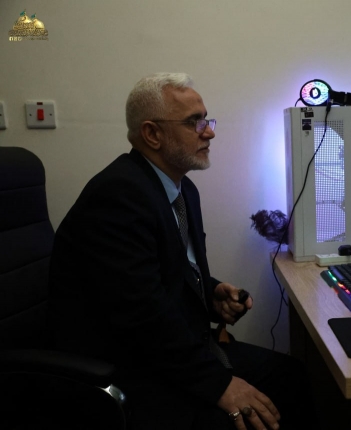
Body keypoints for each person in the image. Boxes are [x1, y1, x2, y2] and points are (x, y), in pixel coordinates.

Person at [48, 72, 316, 430]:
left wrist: (211, 293)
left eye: (206, 120)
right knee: (247, 409)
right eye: (194, 122)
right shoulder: (118, 196)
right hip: (129, 370)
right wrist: (220, 385)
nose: (209, 132)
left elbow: (166, 273)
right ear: (152, 134)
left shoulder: (181, 189)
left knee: (291, 376)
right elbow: (142, 316)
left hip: (169, 352)